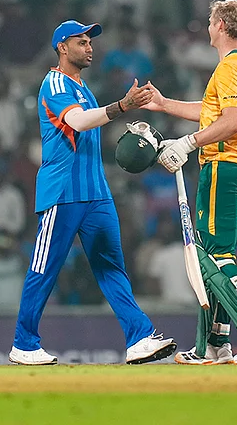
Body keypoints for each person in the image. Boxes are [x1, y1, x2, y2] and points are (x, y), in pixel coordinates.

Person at [10, 20, 176, 365]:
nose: (90, 47)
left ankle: (139, 338)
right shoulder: (53, 82)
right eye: (82, 42)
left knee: (112, 267)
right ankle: (23, 343)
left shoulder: (84, 88)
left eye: (90, 42)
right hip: (63, 191)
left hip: (96, 193)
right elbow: (78, 122)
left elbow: (91, 122)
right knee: (44, 269)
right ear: (62, 47)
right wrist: (122, 106)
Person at [143, 0, 237, 365]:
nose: (207, 28)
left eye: (210, 22)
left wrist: (187, 143)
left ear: (221, 25)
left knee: (214, 257)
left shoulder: (226, 69)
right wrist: (163, 104)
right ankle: (213, 344)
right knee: (217, 256)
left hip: (224, 168)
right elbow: (213, 113)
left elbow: (232, 121)